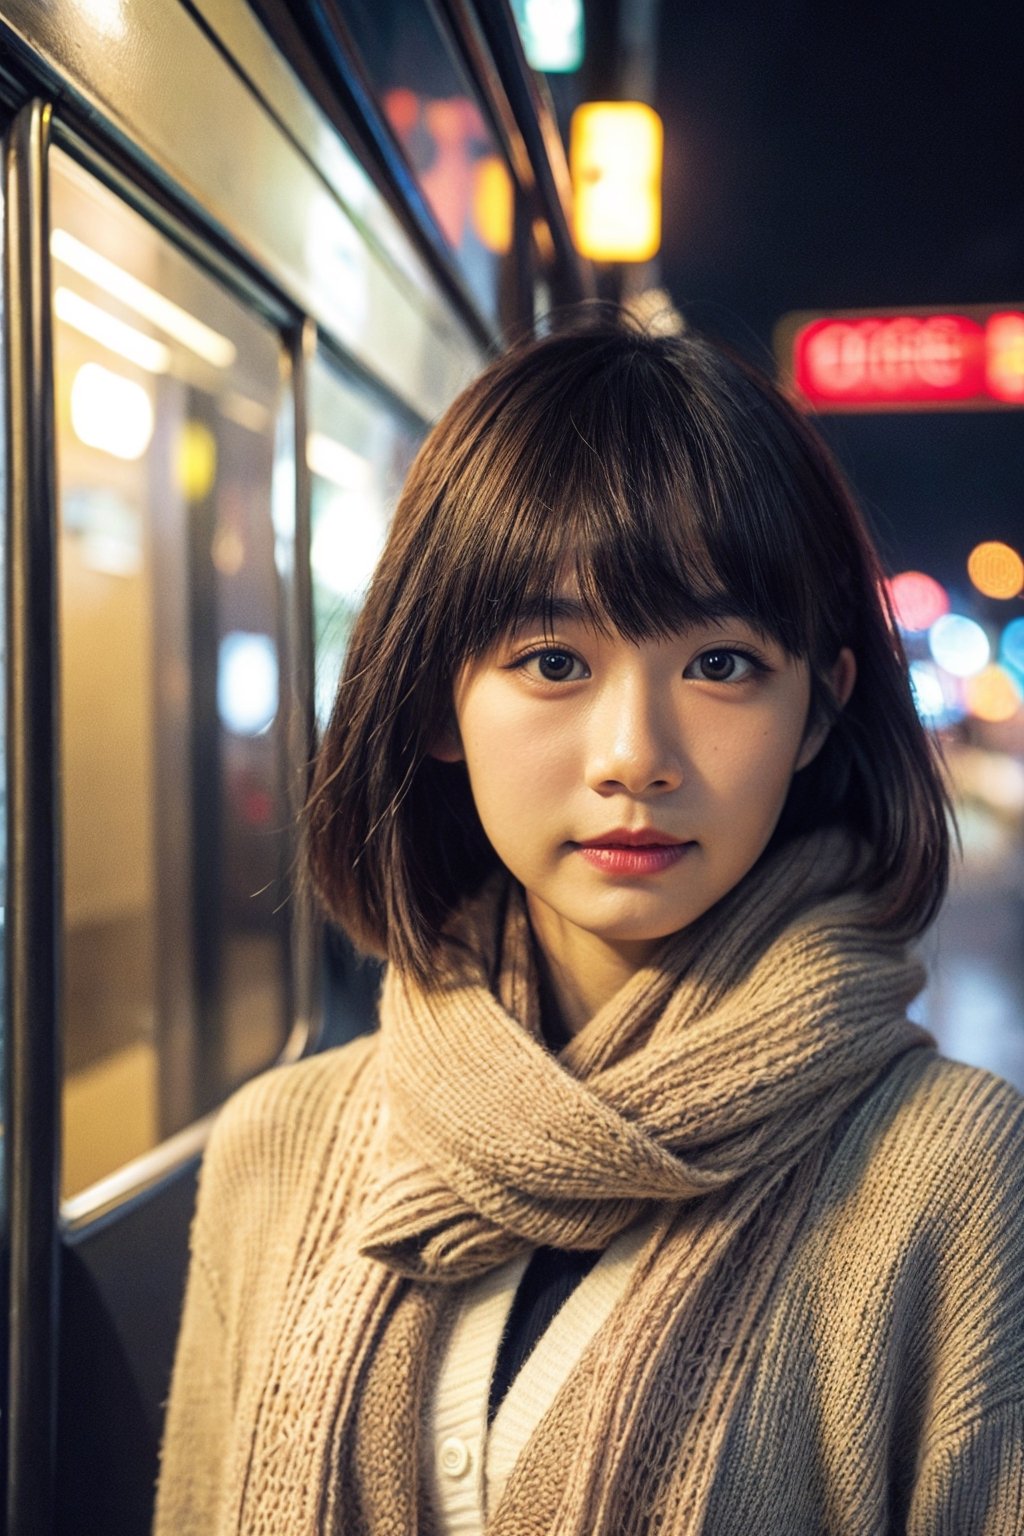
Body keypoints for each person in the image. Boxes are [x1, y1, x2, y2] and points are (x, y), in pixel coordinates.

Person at [153, 312, 1024, 1536]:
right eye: (553, 660)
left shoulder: (957, 1177)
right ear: (438, 697)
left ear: (818, 710)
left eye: (720, 664)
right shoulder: (278, 1146)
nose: (635, 758)